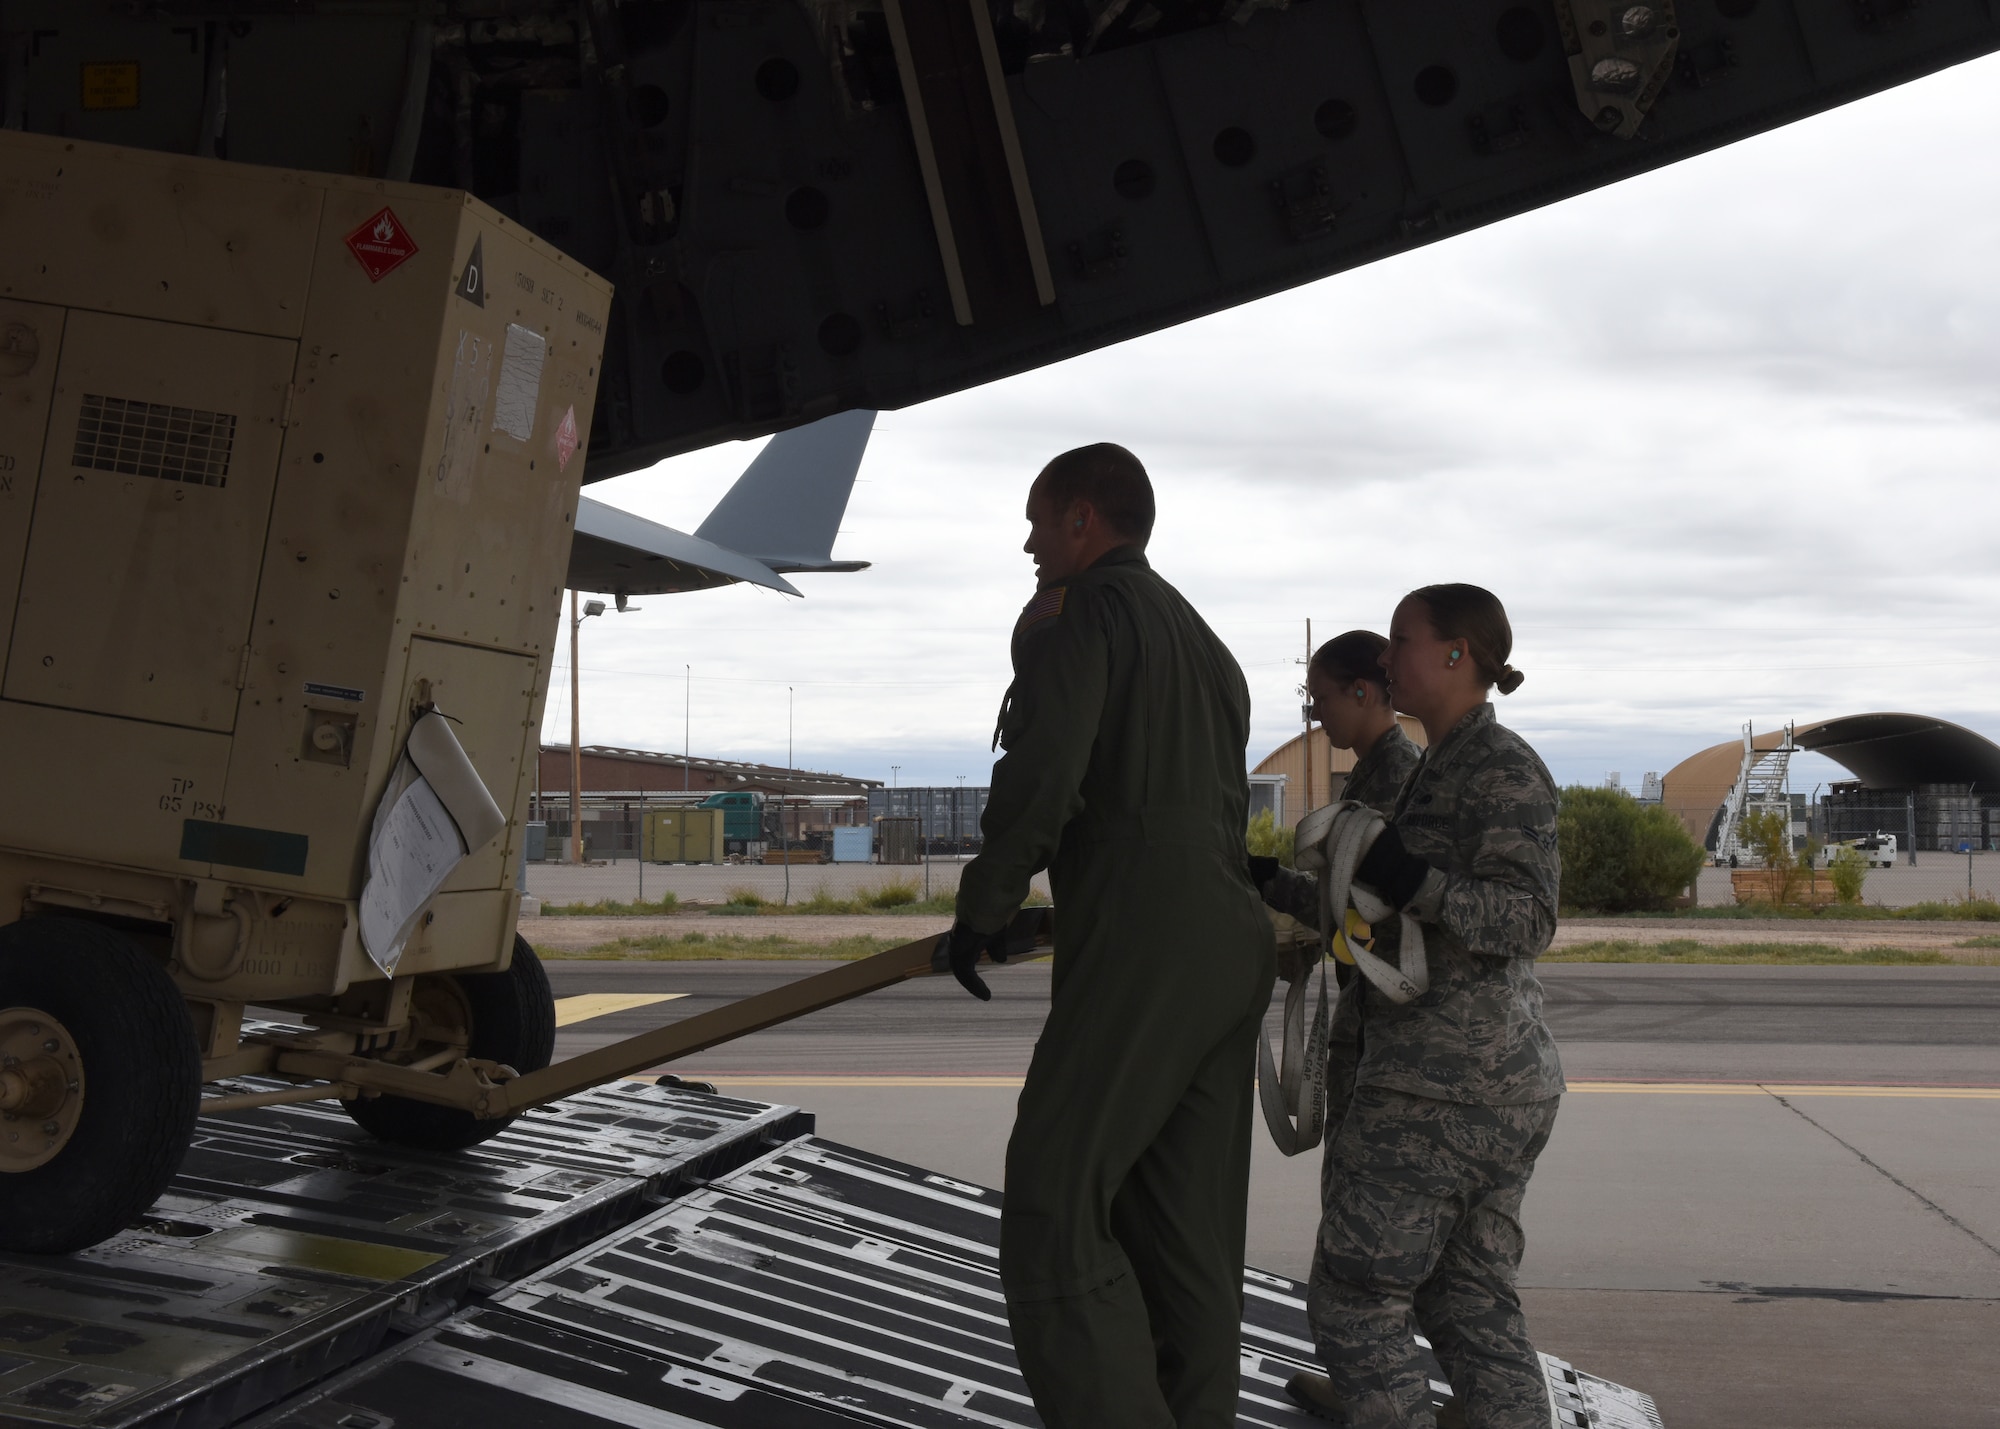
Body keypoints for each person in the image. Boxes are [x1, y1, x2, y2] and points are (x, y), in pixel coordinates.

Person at [943, 443, 1274, 1429]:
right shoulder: (1205, 643)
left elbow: (1046, 769)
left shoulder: (1082, 613)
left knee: (1052, 1205)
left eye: (1040, 520)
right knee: (1183, 1239)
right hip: (1228, 944)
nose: (1030, 542)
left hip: (1147, 945)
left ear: (1082, 520)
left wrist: (984, 904)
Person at [1287, 584, 1564, 1429]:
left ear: (1458, 654)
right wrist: (1295, 891)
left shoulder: (1502, 768)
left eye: (1400, 640)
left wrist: (1422, 882)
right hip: (1476, 1086)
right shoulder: (1437, 765)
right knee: (1468, 1298)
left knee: (1358, 1302)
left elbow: (1527, 918)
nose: (1384, 658)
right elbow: (1385, 916)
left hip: (1439, 1089)